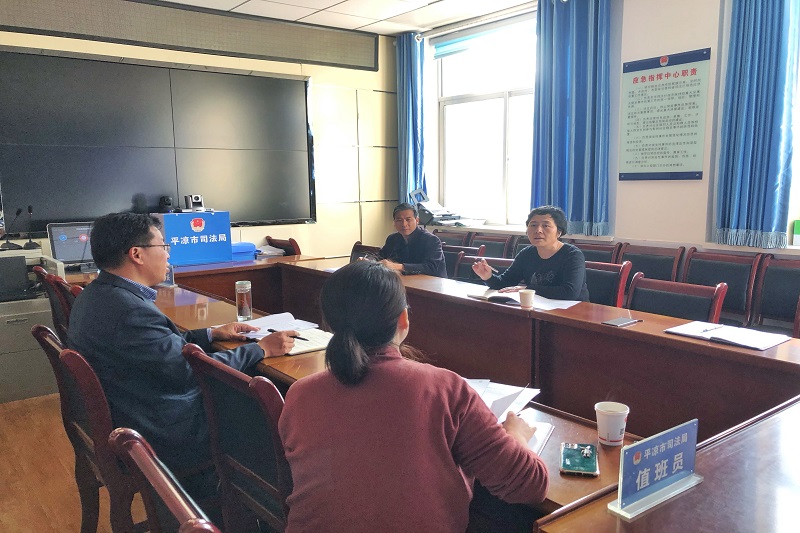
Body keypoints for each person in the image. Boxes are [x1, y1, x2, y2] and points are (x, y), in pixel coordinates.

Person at [278, 261, 549, 533]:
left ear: (329, 322)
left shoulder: (299, 393)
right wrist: (517, 435)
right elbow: (530, 485)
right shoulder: (446, 389)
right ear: (403, 319)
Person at [67, 212, 297, 475]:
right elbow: (189, 371)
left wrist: (211, 334)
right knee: (268, 403)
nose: (168, 254)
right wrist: (261, 349)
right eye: (162, 246)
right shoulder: (130, 311)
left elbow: (160, 350)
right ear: (137, 254)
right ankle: (256, 492)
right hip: (164, 430)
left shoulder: (96, 294)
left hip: (131, 408)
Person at [472, 205, 589, 301]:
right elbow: (504, 284)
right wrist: (487, 276)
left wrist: (528, 289)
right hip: (538, 309)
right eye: (533, 225)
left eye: (546, 225)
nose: (538, 230)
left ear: (559, 232)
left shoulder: (572, 255)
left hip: (573, 312)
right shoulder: (526, 254)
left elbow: (569, 292)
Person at [377, 202, 447, 277]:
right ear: (394, 222)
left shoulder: (431, 240)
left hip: (432, 282)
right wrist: (371, 261)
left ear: (417, 220)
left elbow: (431, 267)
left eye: (408, 219)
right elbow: (381, 257)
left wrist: (400, 267)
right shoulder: (392, 239)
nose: (404, 224)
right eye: (399, 220)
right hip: (403, 280)